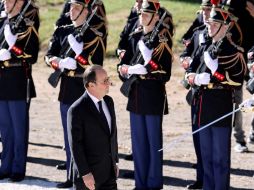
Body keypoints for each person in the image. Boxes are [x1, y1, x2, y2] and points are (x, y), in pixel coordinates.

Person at [45, 0, 106, 188]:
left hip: (84, 90)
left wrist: (79, 59)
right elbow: (49, 55)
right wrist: (59, 63)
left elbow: (97, 66)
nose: (72, 10)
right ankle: (71, 176)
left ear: (86, 12)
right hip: (66, 89)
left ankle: (84, 177)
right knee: (69, 136)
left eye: (78, 8)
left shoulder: (94, 35)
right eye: (71, 7)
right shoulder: (62, 30)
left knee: (85, 138)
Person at [186, 1, 246, 189]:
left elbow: (236, 80)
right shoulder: (205, 46)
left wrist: (214, 74)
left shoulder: (232, 50)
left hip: (220, 106)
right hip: (203, 106)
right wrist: (193, 77)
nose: (209, 26)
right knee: (206, 157)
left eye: (213, 24)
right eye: (209, 23)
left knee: (220, 158)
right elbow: (192, 65)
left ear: (224, 25)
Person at [118, 0, 174, 189]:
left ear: (156, 16)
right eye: (141, 13)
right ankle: (140, 183)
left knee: (153, 144)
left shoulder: (162, 39)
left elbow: (165, 73)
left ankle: (154, 183)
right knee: (139, 145)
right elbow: (122, 64)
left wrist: (146, 69)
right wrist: (126, 69)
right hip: (135, 94)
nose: (142, 17)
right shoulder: (135, 36)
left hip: (153, 95)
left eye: (147, 14)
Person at [0, 0, 39, 182]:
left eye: (9, 0)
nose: (5, 3)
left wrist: (13, 51)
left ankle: (17, 168)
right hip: (2, 81)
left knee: (18, 128)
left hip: (17, 81)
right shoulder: (3, 22)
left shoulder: (26, 25)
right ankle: (5, 166)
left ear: (19, 2)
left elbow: (32, 55)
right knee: (5, 129)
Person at [67, 65, 118, 190]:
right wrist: (85, 173)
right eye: (104, 81)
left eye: (108, 79)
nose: (109, 84)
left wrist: (114, 162)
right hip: (88, 177)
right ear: (91, 85)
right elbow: (75, 145)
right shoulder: (76, 109)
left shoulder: (109, 102)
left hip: (108, 173)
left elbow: (112, 134)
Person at [180, 0, 212, 188]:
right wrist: (185, 59)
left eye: (209, 10)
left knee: (212, 142)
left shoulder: (223, 34)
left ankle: (211, 180)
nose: (205, 14)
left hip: (212, 93)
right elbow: (186, 51)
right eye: (204, 10)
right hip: (196, 92)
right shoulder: (198, 33)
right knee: (198, 137)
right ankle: (201, 178)